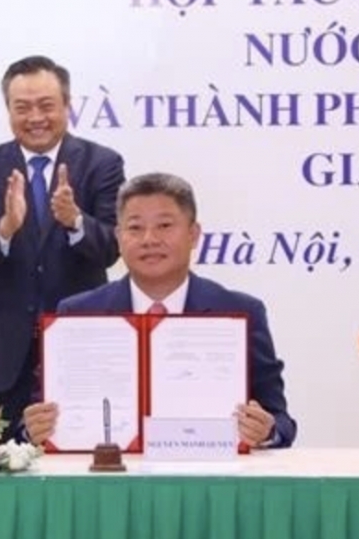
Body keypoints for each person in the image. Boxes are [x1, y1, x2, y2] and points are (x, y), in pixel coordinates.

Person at [22, 172, 297, 448]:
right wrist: (32, 429)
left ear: (193, 234)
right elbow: (36, 413)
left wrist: (267, 430)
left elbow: (281, 420)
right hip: (108, 480)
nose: (149, 239)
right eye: (135, 228)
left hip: (208, 481)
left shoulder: (240, 311)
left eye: (164, 225)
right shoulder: (77, 314)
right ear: (119, 237)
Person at [0, 55, 126, 435]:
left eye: (46, 106)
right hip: (3, 352)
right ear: (8, 111)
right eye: (23, 108)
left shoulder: (103, 164)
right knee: (3, 466)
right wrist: (5, 226)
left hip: (81, 343)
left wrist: (75, 221)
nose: (35, 117)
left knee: (82, 458)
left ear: (67, 105)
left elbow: (115, 248)